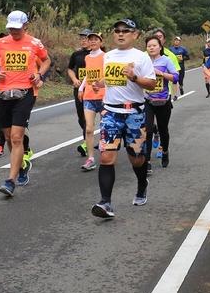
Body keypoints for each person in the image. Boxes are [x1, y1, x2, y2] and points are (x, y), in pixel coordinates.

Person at [89, 18, 156, 219]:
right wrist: (100, 84)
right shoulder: (108, 56)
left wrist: (134, 77)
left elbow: (151, 84)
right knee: (107, 157)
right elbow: (110, 78)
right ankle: (105, 203)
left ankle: (142, 184)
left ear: (135, 35)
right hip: (110, 113)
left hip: (134, 114)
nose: (120, 34)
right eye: (117, 30)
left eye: (125, 30)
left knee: (136, 159)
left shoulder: (142, 57)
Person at [0, 10, 51, 197]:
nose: (14, 31)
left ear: (25, 26)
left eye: (17, 27)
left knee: (16, 137)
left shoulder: (34, 43)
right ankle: (21, 166)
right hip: (3, 93)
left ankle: (10, 181)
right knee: (7, 137)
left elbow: (46, 60)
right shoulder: (1, 42)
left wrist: (39, 74)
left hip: (25, 92)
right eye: (11, 28)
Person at [144, 35, 178, 168]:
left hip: (163, 101)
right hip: (148, 100)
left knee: (163, 129)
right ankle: (146, 160)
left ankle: (165, 151)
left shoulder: (166, 60)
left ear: (160, 47)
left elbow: (175, 77)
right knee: (147, 130)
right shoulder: (144, 61)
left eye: (154, 45)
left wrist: (161, 74)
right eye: (149, 46)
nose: (151, 48)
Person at [77, 30, 106, 170]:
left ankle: (106, 153)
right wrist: (81, 88)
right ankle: (91, 158)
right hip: (89, 96)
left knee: (105, 128)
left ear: (101, 42)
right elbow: (87, 75)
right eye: (91, 39)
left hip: (103, 96)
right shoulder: (87, 58)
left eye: (96, 39)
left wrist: (99, 83)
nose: (93, 41)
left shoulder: (106, 56)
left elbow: (108, 75)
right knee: (88, 129)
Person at [67, 29, 92, 158]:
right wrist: (75, 79)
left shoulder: (98, 54)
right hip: (80, 90)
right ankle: (86, 141)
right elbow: (70, 69)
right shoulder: (76, 55)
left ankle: (87, 143)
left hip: (95, 90)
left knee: (100, 116)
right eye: (81, 38)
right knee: (82, 117)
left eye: (86, 38)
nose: (83, 41)